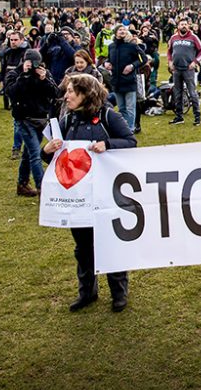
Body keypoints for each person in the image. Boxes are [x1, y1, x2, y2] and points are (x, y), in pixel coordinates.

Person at [42, 74, 136, 312]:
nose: (66, 96)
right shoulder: (67, 119)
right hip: (77, 197)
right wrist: (47, 150)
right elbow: (52, 158)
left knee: (110, 242)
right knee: (83, 247)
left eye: (71, 91)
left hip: (105, 194)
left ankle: (118, 292)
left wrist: (108, 145)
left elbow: (130, 142)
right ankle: (87, 292)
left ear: (86, 93)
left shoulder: (107, 116)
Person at [6, 50, 59, 197]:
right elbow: (11, 92)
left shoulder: (43, 73)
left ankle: (22, 183)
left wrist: (44, 80)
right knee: (35, 153)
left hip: (41, 118)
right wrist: (24, 75)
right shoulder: (15, 74)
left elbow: (55, 93)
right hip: (24, 119)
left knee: (28, 153)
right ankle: (43, 188)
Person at [105, 25, 147, 131]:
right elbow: (109, 58)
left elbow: (143, 58)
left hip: (129, 81)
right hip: (116, 82)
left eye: (124, 29)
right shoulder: (111, 46)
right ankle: (124, 128)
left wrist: (132, 66)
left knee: (130, 108)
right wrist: (107, 63)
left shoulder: (131, 46)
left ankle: (130, 129)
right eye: (120, 30)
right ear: (115, 33)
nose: (122, 31)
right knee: (121, 108)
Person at [166, 18, 201, 125]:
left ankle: (197, 117)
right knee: (177, 93)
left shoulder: (193, 37)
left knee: (192, 93)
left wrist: (195, 62)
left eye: (185, 24)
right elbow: (169, 51)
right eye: (181, 24)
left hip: (188, 70)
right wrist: (170, 62)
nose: (183, 26)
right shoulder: (173, 38)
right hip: (176, 70)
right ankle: (179, 116)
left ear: (188, 26)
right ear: (178, 26)